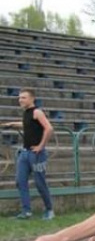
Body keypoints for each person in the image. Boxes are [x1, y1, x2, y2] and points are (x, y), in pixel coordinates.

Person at [1, 88, 55, 220]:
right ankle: (26, 211)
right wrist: (12, 124)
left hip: (36, 153)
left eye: (23, 97)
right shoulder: (26, 113)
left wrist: (41, 146)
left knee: (39, 182)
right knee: (20, 181)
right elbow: (28, 124)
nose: (20, 100)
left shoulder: (37, 112)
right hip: (25, 153)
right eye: (19, 97)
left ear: (32, 99)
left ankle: (49, 210)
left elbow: (49, 128)